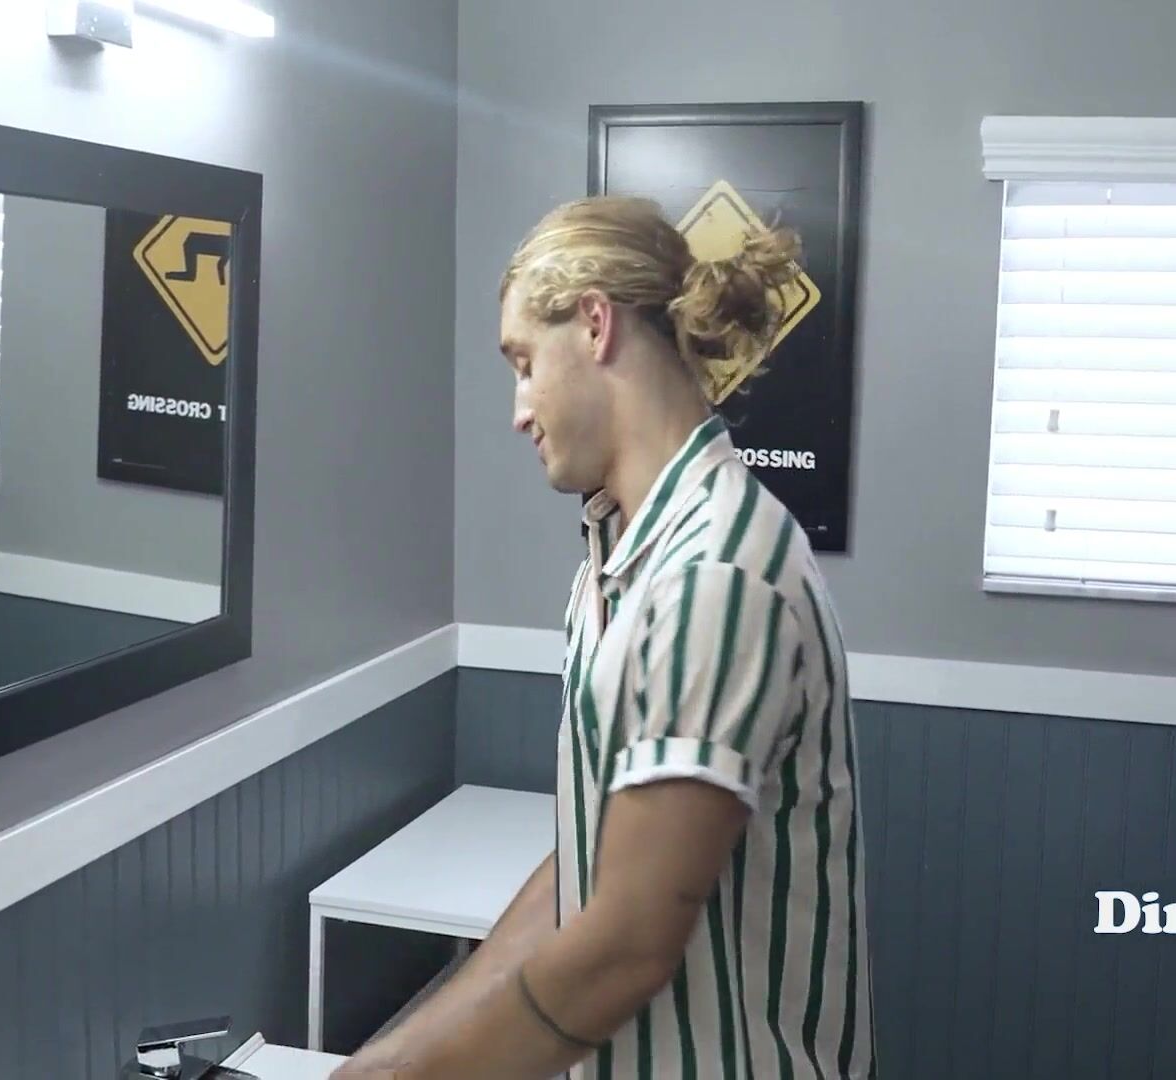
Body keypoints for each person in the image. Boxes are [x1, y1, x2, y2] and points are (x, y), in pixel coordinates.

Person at [332, 195, 875, 1079]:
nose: (518, 410)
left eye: (523, 363)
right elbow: (586, 874)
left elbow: (624, 944)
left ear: (594, 323)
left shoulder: (715, 570)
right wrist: (387, 1055)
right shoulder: (615, 567)